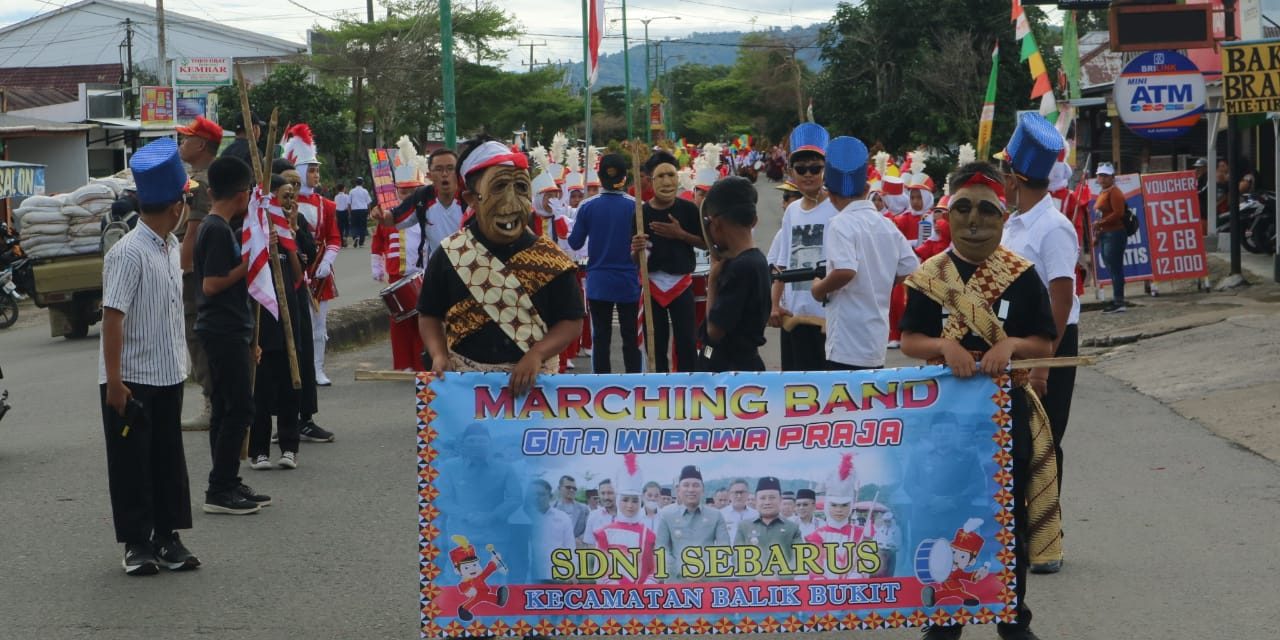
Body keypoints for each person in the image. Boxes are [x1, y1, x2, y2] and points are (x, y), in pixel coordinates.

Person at [899, 160, 1060, 640]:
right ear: (946, 213)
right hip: (945, 420)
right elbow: (909, 341)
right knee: (946, 516)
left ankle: (1013, 617)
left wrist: (1009, 346)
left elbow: (1044, 344)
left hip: (1004, 414)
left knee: (1008, 516)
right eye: (963, 209)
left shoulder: (1021, 276)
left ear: (1004, 214)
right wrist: (943, 347)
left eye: (986, 211)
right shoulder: (930, 276)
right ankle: (946, 619)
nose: (974, 222)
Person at [99, 137, 200, 575]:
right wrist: (115, 380)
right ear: (176, 205)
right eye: (186, 200)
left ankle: (168, 536)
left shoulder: (169, 246)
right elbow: (112, 318)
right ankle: (137, 543)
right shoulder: (127, 253)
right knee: (132, 464)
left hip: (167, 373)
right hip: (131, 378)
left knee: (167, 460)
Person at [417, 136, 584, 396]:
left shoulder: (549, 258)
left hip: (535, 386)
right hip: (468, 383)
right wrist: (438, 354)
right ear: (472, 198)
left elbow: (571, 321)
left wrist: (537, 354)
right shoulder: (450, 254)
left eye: (520, 188)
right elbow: (429, 314)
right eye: (499, 188)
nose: (511, 203)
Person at [1001, 113, 1081, 575]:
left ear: (1015, 178)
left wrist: (1042, 364)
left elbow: (1062, 294)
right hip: (1019, 341)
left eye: (1005, 175)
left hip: (1051, 341)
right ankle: (1023, 534)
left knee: (1046, 439)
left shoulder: (1053, 227)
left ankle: (1048, 540)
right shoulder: (1014, 224)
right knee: (1017, 442)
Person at [194, 156, 270, 515]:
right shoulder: (216, 230)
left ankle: (226, 479)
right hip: (221, 330)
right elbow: (210, 285)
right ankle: (219, 487)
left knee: (226, 409)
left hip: (231, 328)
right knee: (240, 409)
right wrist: (248, 266)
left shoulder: (221, 227)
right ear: (242, 196)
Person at [810, 136, 919, 370]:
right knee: (869, 401)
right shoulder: (886, 225)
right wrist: (881, 280)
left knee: (844, 401)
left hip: (847, 339)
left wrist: (819, 288)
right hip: (875, 333)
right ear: (868, 189)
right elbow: (911, 267)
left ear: (830, 194)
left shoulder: (840, 223)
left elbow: (845, 271)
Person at [373, 148, 464, 372]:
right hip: (437, 273)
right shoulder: (422, 198)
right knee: (433, 320)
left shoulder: (470, 197)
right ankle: (439, 365)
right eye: (439, 170)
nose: (444, 175)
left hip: (471, 272)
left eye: (450, 169)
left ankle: (466, 369)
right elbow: (394, 218)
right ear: (430, 174)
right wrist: (381, 217)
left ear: (458, 173)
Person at [247, 174, 307, 471]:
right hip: (262, 320)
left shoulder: (286, 233)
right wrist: (263, 243)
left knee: (289, 386)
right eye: (283, 194)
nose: (290, 199)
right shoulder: (250, 232)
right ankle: (258, 450)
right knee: (260, 389)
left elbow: (297, 277)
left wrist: (288, 239)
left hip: (287, 320)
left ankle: (289, 446)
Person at [769, 123, 837, 371]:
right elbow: (782, 263)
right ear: (791, 172)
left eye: (815, 168)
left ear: (825, 170)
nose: (808, 174)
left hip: (829, 319)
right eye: (801, 168)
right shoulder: (792, 212)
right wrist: (774, 304)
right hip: (795, 317)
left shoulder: (837, 208)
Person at [630, 151, 706, 373]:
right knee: (656, 345)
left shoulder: (689, 209)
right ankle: (661, 390)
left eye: (670, 175)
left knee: (687, 342)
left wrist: (681, 234)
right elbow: (636, 259)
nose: (666, 181)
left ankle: (688, 389)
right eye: (660, 176)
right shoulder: (640, 212)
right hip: (652, 284)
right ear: (650, 180)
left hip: (681, 284)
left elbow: (706, 245)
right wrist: (637, 249)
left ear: (678, 177)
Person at [567, 153, 642, 374]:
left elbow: (574, 241)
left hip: (598, 279)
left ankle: (601, 383)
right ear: (624, 177)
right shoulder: (637, 206)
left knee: (601, 337)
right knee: (630, 337)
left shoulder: (587, 206)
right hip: (628, 279)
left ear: (600, 177)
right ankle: (634, 381)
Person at [175, 116, 221, 431]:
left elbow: (193, 231)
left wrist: (179, 269)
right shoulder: (207, 177)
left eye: (186, 138)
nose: (181, 144)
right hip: (207, 270)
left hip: (195, 271)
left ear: (201, 145)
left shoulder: (201, 183)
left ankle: (211, 403)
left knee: (197, 334)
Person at [437, 423, 523, 589]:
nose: (477, 445)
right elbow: (443, 500)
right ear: (463, 444)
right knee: (458, 583)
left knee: (493, 581)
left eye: (482, 441)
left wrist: (492, 516)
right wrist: (466, 515)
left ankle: (492, 614)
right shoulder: (449, 468)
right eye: (472, 441)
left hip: (495, 537)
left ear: (490, 443)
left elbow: (515, 498)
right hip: (460, 537)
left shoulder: (505, 469)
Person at [698, 176, 770, 372]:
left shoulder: (739, 268)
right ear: (754, 221)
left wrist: (712, 282)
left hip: (730, 372)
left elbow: (714, 331)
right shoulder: (758, 261)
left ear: (717, 224)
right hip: (746, 365)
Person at [654, 465, 729, 582]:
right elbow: (661, 549)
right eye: (686, 485)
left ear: (703, 489)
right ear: (679, 490)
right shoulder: (666, 514)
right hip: (676, 582)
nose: (691, 489)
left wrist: (703, 569)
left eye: (696, 485)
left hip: (708, 581)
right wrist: (681, 570)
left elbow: (724, 548)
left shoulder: (716, 515)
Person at [804, 454, 872, 580]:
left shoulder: (860, 534)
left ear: (851, 505)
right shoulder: (816, 536)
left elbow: (866, 565)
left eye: (844, 505)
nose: (839, 510)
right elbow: (814, 568)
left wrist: (858, 574)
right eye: (834, 505)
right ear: (827, 506)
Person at [592, 455, 657, 584]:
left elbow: (655, 569)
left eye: (634, 500)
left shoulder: (649, 535)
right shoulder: (603, 533)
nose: (630, 505)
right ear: (618, 500)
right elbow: (600, 570)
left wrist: (646, 586)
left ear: (640, 502)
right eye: (625, 500)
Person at [733, 477, 801, 577]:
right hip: (751, 587)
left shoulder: (792, 528)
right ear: (756, 501)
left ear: (780, 500)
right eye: (762, 498)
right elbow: (736, 558)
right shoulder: (744, 526)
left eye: (772, 498)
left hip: (783, 587)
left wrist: (778, 578)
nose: (767, 502)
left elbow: (799, 559)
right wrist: (757, 576)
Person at [1091, 162, 1128, 314]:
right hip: (1105, 233)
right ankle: (1117, 299)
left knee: (1115, 267)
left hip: (1115, 233)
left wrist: (1101, 223)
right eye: (1100, 175)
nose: (1102, 178)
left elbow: (1118, 213)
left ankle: (1119, 301)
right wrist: (1097, 234)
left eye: (1106, 175)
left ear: (1112, 177)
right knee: (1112, 267)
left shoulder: (1115, 193)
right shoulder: (1103, 193)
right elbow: (1101, 214)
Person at [523, 479, 575, 583]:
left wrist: (573, 574)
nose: (536, 498)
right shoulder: (523, 519)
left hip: (557, 576)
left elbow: (570, 547)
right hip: (530, 577)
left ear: (550, 496)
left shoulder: (563, 518)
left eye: (541, 494)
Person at [554, 475, 590, 544]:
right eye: (568, 487)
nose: (572, 490)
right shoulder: (552, 508)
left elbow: (589, 530)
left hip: (577, 550)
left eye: (574, 488)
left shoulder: (584, 509)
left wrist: (580, 539)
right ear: (559, 488)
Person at [583, 478, 617, 546]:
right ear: (599, 494)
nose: (606, 497)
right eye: (603, 493)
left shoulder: (627, 515)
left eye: (610, 493)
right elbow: (590, 544)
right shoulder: (593, 516)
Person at [348, 177, 373, 248]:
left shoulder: (351, 191)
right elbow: (368, 203)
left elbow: (349, 203)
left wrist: (350, 213)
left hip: (354, 211)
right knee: (363, 226)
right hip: (363, 210)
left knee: (354, 225)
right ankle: (361, 242)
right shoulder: (365, 191)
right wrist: (369, 212)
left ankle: (355, 237)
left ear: (356, 183)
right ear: (362, 183)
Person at [334, 183, 350, 247]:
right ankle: (345, 236)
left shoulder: (336, 197)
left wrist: (335, 215)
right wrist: (349, 213)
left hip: (338, 213)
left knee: (340, 227)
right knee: (347, 226)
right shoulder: (346, 196)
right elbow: (348, 205)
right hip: (345, 212)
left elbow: (335, 206)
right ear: (343, 189)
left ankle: (342, 242)